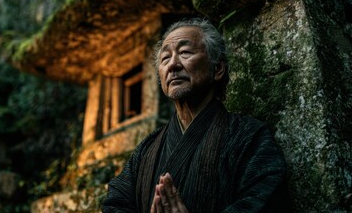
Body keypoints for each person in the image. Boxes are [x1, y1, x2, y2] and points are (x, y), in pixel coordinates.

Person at [102, 18, 292, 212]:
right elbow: (115, 202)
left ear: (217, 69)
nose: (173, 65)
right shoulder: (147, 148)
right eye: (165, 59)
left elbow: (264, 201)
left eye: (185, 52)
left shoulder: (247, 136)